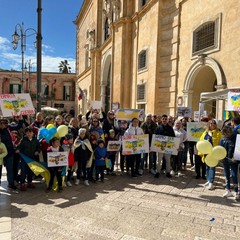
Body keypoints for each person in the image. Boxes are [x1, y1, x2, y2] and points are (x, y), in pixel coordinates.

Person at [16, 127, 41, 191]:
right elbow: (19, 146)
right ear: (26, 133)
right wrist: (18, 149)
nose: (29, 134)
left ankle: (29, 182)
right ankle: (22, 183)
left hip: (32, 158)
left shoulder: (35, 140)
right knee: (23, 171)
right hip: (24, 159)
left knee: (31, 171)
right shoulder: (23, 140)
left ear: (33, 133)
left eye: (30, 132)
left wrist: (37, 151)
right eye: (27, 132)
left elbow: (39, 147)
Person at [200, 119, 222, 190]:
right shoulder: (205, 132)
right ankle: (208, 180)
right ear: (208, 124)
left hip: (214, 153)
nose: (212, 124)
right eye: (211, 123)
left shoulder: (218, 133)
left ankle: (211, 182)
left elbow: (220, 143)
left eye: (214, 123)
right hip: (206, 153)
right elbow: (201, 141)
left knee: (212, 167)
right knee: (207, 167)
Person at [220, 125, 239, 199]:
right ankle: (228, 190)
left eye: (229, 131)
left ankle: (236, 191)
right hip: (225, 160)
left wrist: (236, 157)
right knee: (226, 175)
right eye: (226, 132)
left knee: (234, 176)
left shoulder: (236, 138)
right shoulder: (222, 139)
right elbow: (220, 150)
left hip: (233, 161)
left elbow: (238, 149)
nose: (228, 133)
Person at [0, 118, 17, 190]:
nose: (5, 124)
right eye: (3, 123)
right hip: (1, 154)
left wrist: (20, 118)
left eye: (5, 123)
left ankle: (11, 183)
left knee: (10, 169)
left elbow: (17, 126)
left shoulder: (7, 129)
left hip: (9, 153)